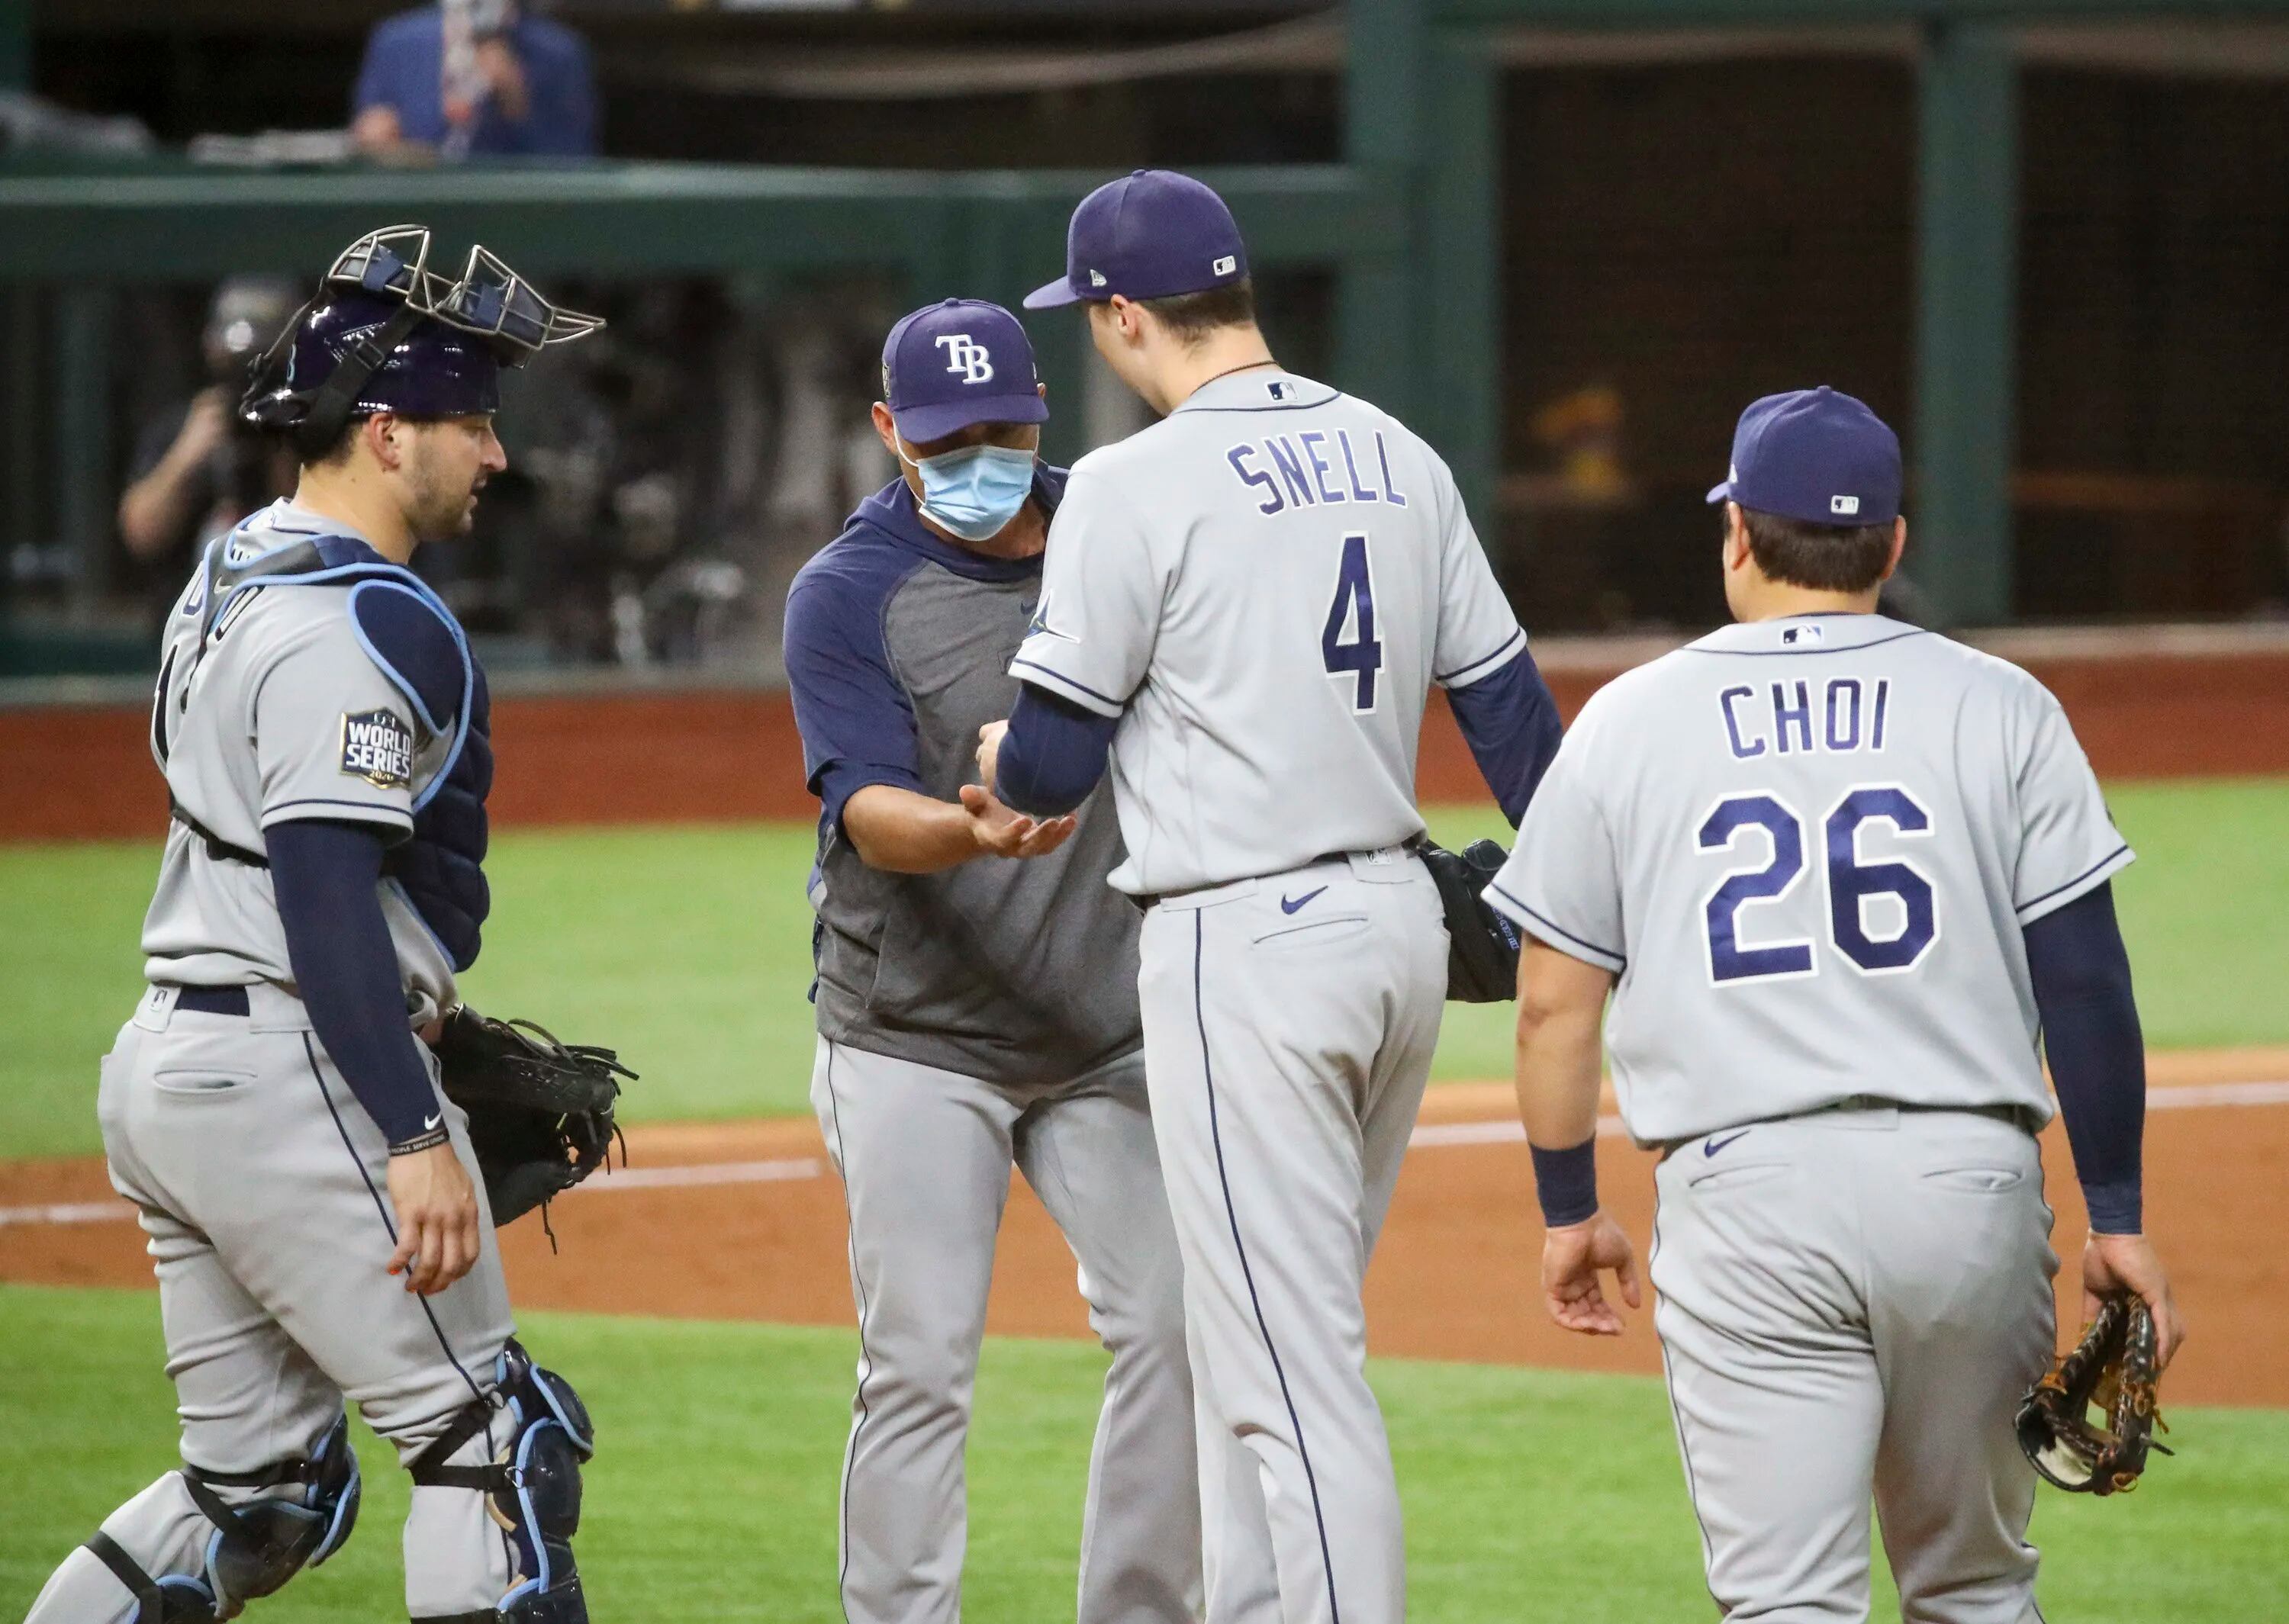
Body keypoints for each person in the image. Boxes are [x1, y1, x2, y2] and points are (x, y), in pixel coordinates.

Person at [1491, 386, 2186, 1621]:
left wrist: (1567, 1209)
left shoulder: (1629, 721)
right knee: (1975, 1588)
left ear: (1739, 536)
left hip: (1748, 1198)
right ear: (1898, 544)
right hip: (1966, 1193)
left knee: (1786, 1602)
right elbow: (2085, 979)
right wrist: (2120, 1213)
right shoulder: (2003, 705)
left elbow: (1553, 1005)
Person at [979, 170, 1564, 1622]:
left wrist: (1002, 747)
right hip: (1400, 939)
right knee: (1263, 1348)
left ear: (1122, 316)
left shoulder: (1129, 482)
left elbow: (1048, 766)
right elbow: (1517, 728)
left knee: (1289, 1374)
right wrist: (1567, 902)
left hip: (1244, 951)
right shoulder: (1398, 452)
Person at [23, 226, 604, 1624]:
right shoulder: (359, 621)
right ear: (388, 431)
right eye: (474, 422)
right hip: (292, 1069)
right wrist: (413, 1129)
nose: (497, 455)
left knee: (261, 1489)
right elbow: (323, 887)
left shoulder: (233, 568)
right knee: (495, 1443)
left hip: (174, 1064)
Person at [783, 297, 1201, 1624]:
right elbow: (862, 812)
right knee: (918, 1363)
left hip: (1103, 1032)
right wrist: (974, 828)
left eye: (1006, 428)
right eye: (949, 435)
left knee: (1181, 1331)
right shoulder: (848, 593)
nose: (982, 454)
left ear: (1042, 414)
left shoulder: (1119, 529)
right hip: (912, 1033)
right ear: (888, 431)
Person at [118, 278, 301, 626]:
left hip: (280, 629)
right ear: (211, 350)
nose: (250, 378)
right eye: (240, 363)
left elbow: (324, 530)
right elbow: (140, 533)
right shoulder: (185, 428)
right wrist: (188, 455)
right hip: (189, 640)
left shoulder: (304, 431)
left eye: (264, 362)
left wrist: (280, 445)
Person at [353, 0, 596, 162]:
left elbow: (577, 161)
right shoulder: (396, 42)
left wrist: (515, 99)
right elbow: (366, 136)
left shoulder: (559, 53)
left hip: (513, 212)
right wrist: (374, 140)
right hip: (416, 203)